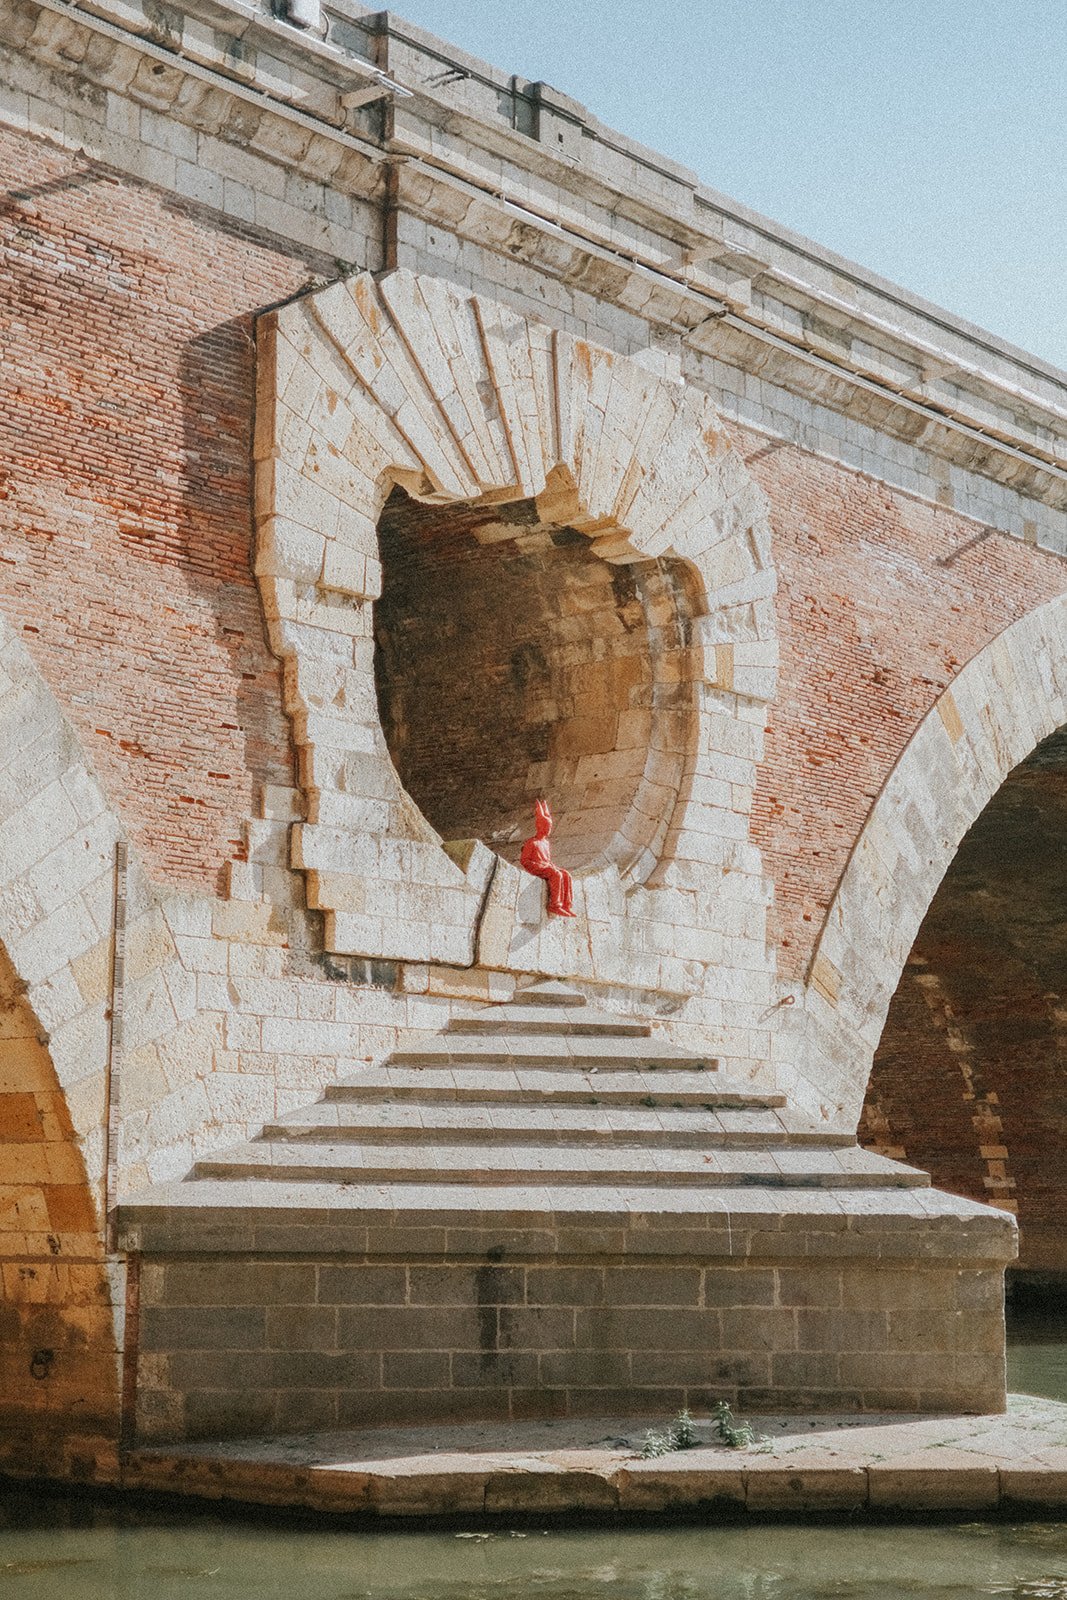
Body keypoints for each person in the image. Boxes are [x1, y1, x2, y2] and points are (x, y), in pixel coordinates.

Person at [519, 798, 575, 917]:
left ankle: (567, 904)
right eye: (546, 827)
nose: (548, 830)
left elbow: (548, 860)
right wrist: (539, 866)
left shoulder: (546, 843)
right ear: (539, 826)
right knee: (556, 874)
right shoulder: (531, 842)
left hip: (546, 866)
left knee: (566, 874)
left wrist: (553, 866)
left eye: (549, 827)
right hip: (536, 867)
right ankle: (555, 905)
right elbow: (524, 861)